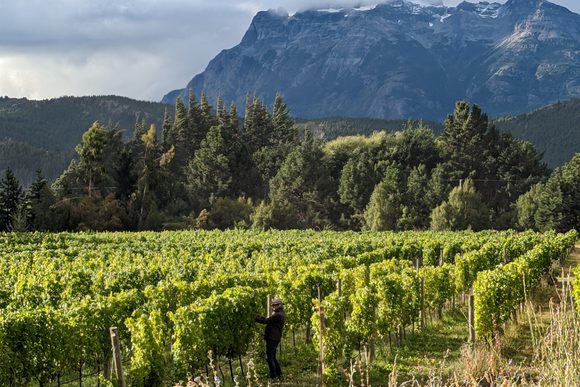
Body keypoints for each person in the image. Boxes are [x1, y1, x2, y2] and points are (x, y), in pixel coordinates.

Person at [255, 297, 285, 379]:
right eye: (273, 305)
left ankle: (274, 376)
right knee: (272, 357)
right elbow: (268, 320)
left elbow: (266, 321)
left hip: (272, 338)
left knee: (269, 357)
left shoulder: (278, 315)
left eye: (275, 305)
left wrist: (255, 317)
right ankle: (278, 374)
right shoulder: (279, 314)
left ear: (280, 305)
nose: (273, 307)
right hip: (274, 338)